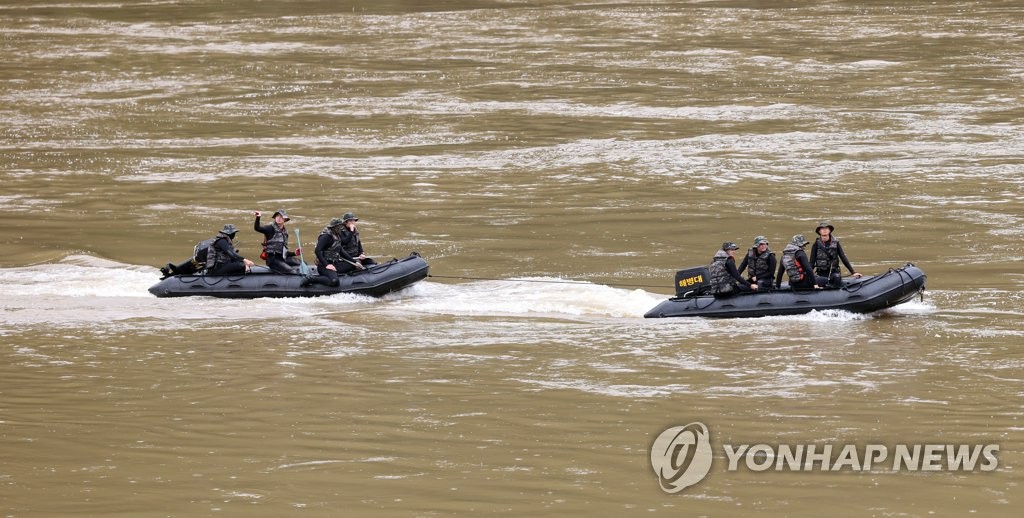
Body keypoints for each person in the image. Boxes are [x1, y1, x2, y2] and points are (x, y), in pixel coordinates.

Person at [809, 221, 861, 288]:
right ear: (819, 231)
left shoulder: (836, 243)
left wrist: (853, 272)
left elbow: (843, 257)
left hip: (833, 273)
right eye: (822, 228)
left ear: (830, 230)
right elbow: (812, 262)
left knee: (837, 278)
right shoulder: (816, 244)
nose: (824, 230)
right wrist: (809, 276)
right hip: (820, 273)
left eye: (826, 228)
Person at [301, 217, 349, 287]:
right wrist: (327, 265)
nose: (342, 228)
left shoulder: (337, 235)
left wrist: (354, 262)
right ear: (335, 227)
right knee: (335, 281)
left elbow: (341, 251)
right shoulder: (326, 237)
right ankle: (312, 279)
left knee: (351, 266)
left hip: (334, 263)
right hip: (323, 265)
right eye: (340, 226)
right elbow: (317, 251)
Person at [253, 209, 301, 274]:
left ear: (285, 219)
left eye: (281, 217)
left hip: (283, 258)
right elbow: (257, 228)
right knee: (292, 272)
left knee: (303, 263)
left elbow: (283, 251)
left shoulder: (285, 232)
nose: (279, 218)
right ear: (275, 218)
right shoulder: (270, 228)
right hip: (273, 260)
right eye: (277, 216)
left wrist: (294, 253)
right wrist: (258, 217)